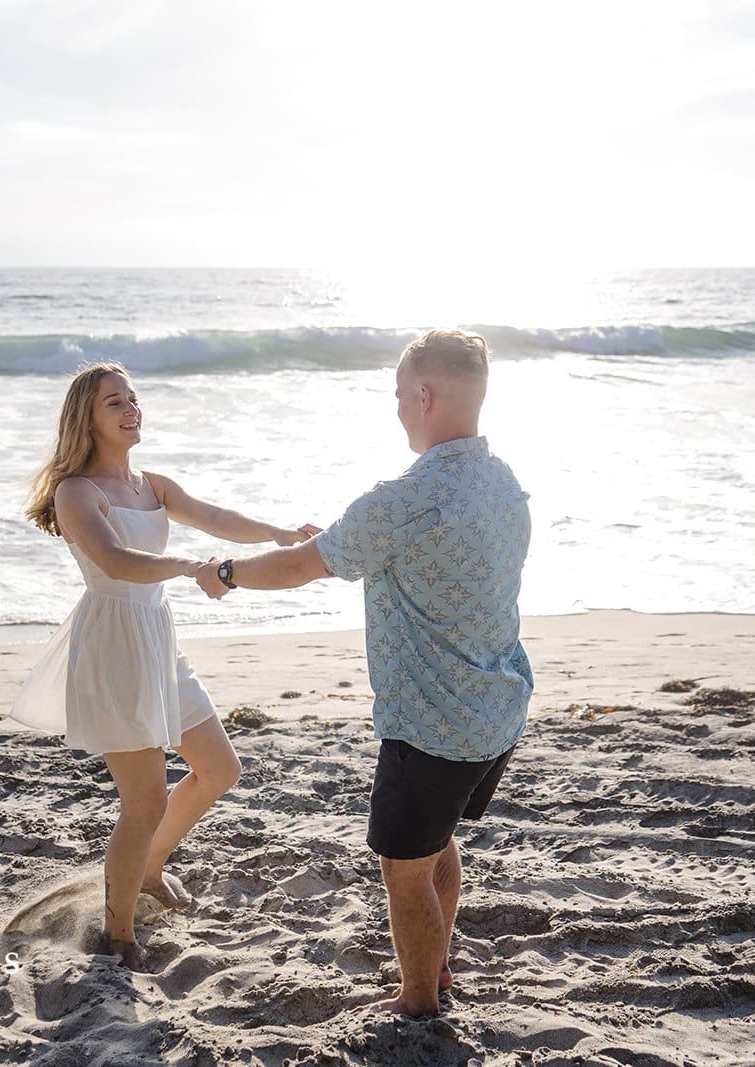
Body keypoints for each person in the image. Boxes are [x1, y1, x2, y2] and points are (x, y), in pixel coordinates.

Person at [194, 329, 533, 1016]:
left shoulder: (401, 499)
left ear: (426, 395)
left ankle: (416, 1001)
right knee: (436, 844)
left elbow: (301, 565)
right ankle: (432, 973)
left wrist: (226, 573)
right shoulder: (501, 482)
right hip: (496, 709)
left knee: (404, 871)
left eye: (400, 395)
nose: (398, 408)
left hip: (430, 723)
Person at [15, 361, 317, 971]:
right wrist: (187, 568)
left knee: (219, 767)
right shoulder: (77, 492)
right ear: (87, 419)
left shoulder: (152, 485)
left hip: (157, 638)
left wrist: (281, 535)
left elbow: (218, 518)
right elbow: (116, 560)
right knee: (143, 804)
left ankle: (150, 868)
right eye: (114, 403)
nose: (131, 410)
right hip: (114, 646)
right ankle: (117, 933)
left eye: (133, 398)